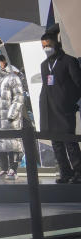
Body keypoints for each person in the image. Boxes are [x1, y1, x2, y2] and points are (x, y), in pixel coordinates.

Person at [39, 28, 81, 183]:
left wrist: (73, 102)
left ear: (55, 44)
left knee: (70, 142)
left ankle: (79, 172)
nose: (46, 49)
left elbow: (78, 84)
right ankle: (65, 172)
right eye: (43, 46)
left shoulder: (69, 61)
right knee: (56, 143)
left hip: (65, 109)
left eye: (48, 45)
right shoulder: (44, 65)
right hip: (49, 109)